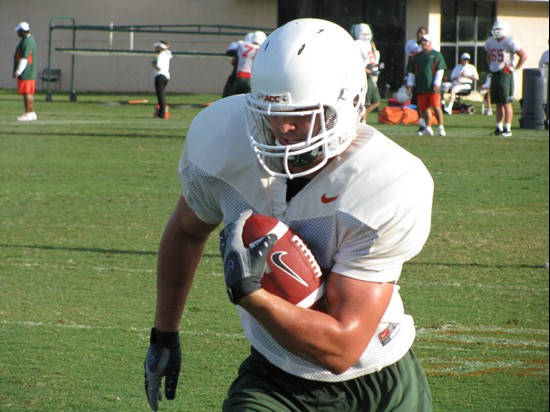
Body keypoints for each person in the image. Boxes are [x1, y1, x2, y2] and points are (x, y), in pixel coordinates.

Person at [143, 18, 434, 411]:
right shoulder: (224, 141)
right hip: (275, 374)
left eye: (304, 113)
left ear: (349, 102)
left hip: (379, 378)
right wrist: (164, 334)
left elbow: (342, 348)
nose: (283, 127)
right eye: (271, 111)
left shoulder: (387, 180)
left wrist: (251, 295)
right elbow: (186, 232)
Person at [485, 20, 527, 137]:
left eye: (498, 30)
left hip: (505, 73)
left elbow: (523, 55)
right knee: (498, 102)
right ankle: (499, 127)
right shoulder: (490, 41)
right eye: (495, 30)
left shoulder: (511, 41)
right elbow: (488, 54)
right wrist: (490, 66)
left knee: (506, 102)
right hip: (495, 73)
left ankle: (507, 128)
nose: (495, 32)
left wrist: (515, 68)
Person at [407, 33, 447, 136]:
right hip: (421, 85)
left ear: (430, 43)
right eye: (423, 41)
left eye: (426, 41)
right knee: (424, 108)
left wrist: (436, 83)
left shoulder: (436, 55)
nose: (423, 43)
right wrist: (410, 83)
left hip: (432, 86)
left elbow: (440, 70)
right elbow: (412, 71)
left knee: (436, 106)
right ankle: (428, 127)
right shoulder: (418, 56)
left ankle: (441, 127)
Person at [353, 23, 382, 121]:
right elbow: (355, 61)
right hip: (363, 75)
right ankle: (361, 121)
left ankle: (359, 119)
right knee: (364, 101)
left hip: (371, 74)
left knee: (376, 101)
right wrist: (364, 70)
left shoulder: (369, 44)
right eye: (364, 34)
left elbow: (372, 60)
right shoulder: (357, 44)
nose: (367, 36)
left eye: (368, 34)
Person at [404, 27, 428, 133]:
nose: (420, 35)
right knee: (418, 101)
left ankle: (431, 124)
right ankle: (422, 123)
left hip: (425, 76)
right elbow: (410, 59)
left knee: (428, 103)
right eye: (419, 32)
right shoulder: (412, 44)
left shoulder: (428, 47)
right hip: (415, 74)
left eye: (423, 33)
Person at [13, 21, 37, 122]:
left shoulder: (27, 42)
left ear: (23, 31)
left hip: (26, 72)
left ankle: (28, 113)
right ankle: (31, 113)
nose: (17, 33)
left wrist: (18, 71)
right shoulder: (29, 40)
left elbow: (24, 58)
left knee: (26, 93)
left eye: (19, 31)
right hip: (29, 72)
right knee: (29, 93)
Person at [230, 31, 266, 95]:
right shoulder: (262, 49)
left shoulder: (242, 44)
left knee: (235, 100)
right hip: (252, 79)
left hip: (240, 77)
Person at [222, 33, 252, 98]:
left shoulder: (241, 46)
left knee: (231, 98)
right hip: (249, 77)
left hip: (239, 76)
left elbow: (232, 59)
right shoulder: (259, 48)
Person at [152, 41, 172, 119]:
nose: (155, 48)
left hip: (160, 76)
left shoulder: (160, 55)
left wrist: (153, 63)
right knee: (161, 94)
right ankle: (161, 112)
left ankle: (161, 113)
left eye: (157, 47)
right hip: (166, 76)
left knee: (160, 95)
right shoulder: (167, 54)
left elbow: (158, 67)